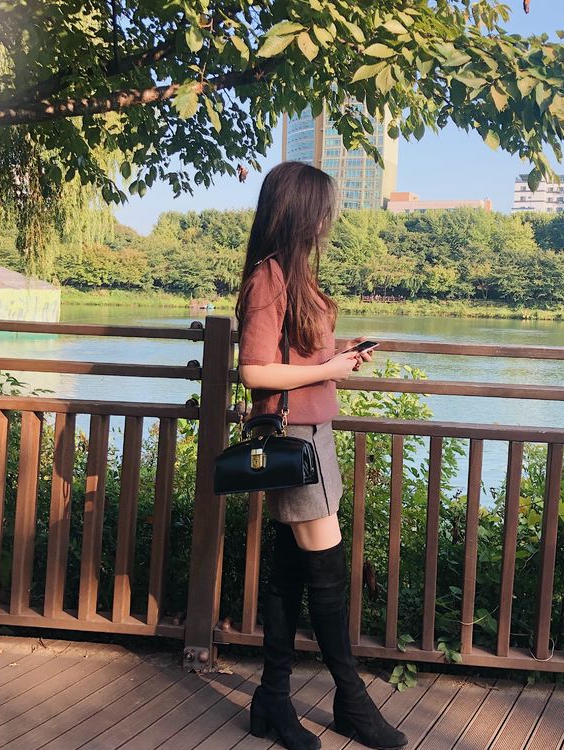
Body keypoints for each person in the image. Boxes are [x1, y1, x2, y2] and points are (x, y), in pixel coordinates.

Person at [235, 161, 408, 750]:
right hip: (294, 441)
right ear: (299, 211)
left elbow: (297, 354)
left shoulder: (294, 273)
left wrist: (338, 355)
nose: (327, 221)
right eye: (322, 209)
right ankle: (351, 702)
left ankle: (272, 701)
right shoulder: (268, 277)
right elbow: (255, 371)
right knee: (327, 572)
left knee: (291, 571)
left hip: (315, 435)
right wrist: (328, 367)